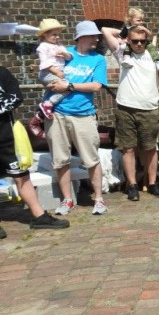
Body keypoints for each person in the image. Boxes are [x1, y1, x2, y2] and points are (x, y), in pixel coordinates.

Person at [0, 35, 70, 239]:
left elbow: (16, 96)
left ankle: (39, 216)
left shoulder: (0, 73)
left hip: (6, 138)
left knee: (22, 177)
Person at [44, 21, 110, 216]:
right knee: (60, 159)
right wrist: (49, 84)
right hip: (57, 114)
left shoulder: (98, 59)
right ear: (81, 37)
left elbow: (96, 86)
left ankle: (98, 199)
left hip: (83, 114)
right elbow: (47, 73)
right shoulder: (63, 54)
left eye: (97, 36)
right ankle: (67, 200)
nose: (96, 39)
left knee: (91, 158)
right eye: (93, 36)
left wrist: (69, 86)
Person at [102, 24, 159, 201]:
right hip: (126, 108)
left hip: (149, 108)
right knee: (128, 148)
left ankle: (153, 183)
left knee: (150, 148)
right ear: (129, 40)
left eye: (142, 40)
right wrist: (129, 29)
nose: (139, 44)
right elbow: (105, 30)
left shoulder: (155, 55)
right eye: (135, 41)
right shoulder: (122, 52)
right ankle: (132, 185)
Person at [35, 18, 73, 119]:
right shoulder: (43, 47)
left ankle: (41, 111)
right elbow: (45, 63)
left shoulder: (59, 45)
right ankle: (48, 104)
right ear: (45, 34)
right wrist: (57, 72)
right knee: (66, 87)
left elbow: (69, 57)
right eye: (54, 35)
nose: (57, 37)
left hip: (56, 72)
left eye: (58, 34)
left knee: (52, 90)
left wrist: (64, 53)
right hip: (48, 73)